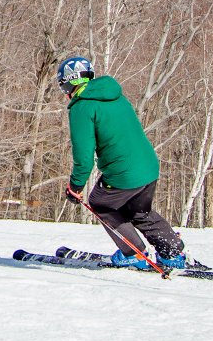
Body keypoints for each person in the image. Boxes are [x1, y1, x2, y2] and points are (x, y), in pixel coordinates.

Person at [57, 55, 193, 270]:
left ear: (68, 83)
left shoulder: (82, 107)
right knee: (139, 211)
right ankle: (172, 253)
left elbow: (83, 157)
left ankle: (134, 253)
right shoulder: (116, 96)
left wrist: (75, 187)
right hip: (148, 166)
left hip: (123, 172)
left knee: (101, 204)